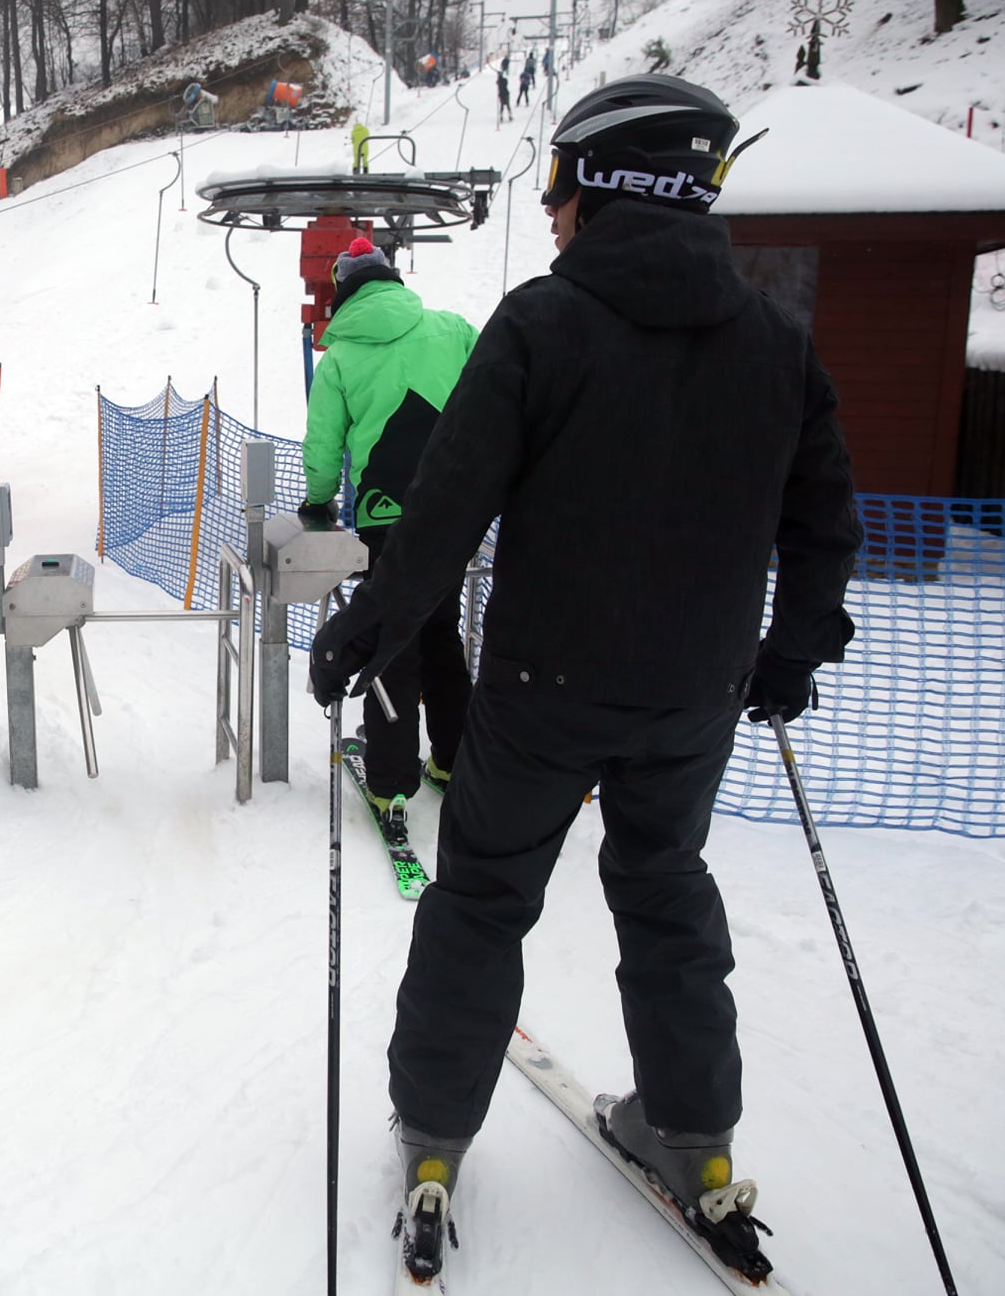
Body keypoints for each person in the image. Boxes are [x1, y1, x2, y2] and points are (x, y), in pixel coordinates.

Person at [309, 75, 857, 1282]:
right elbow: (823, 517)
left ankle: (436, 1132)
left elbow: (446, 507)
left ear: (611, 179)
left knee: (481, 899)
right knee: (662, 894)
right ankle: (693, 1133)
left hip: (542, 691)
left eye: (557, 182)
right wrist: (791, 647)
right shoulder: (770, 340)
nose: (550, 211)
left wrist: (369, 629)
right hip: (692, 696)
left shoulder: (542, 324)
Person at [299, 237, 478, 844]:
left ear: (345, 292)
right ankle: (454, 760)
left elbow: (324, 447)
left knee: (391, 642)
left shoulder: (341, 357)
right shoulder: (452, 329)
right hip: (454, 510)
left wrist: (320, 498)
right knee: (441, 630)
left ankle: (391, 781)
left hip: (384, 515)